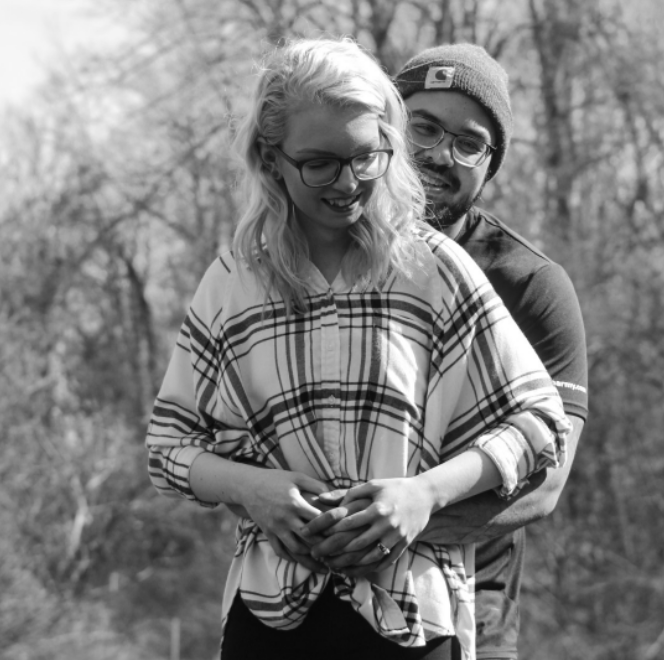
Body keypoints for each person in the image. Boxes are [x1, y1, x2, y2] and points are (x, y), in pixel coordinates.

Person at [145, 38, 572, 660]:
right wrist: (250, 489)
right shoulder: (234, 280)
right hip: (271, 617)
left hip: (413, 620)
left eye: (366, 157)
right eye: (320, 163)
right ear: (272, 160)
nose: (348, 183)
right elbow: (168, 449)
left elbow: (540, 423)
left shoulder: (435, 268)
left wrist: (423, 495)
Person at [304, 44, 589, 660]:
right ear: (384, 129)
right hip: (307, 593)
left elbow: (546, 483)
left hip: (467, 607)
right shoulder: (307, 255)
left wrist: (398, 521)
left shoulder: (531, 284)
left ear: (490, 166)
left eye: (469, 142)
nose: (438, 154)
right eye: (423, 127)